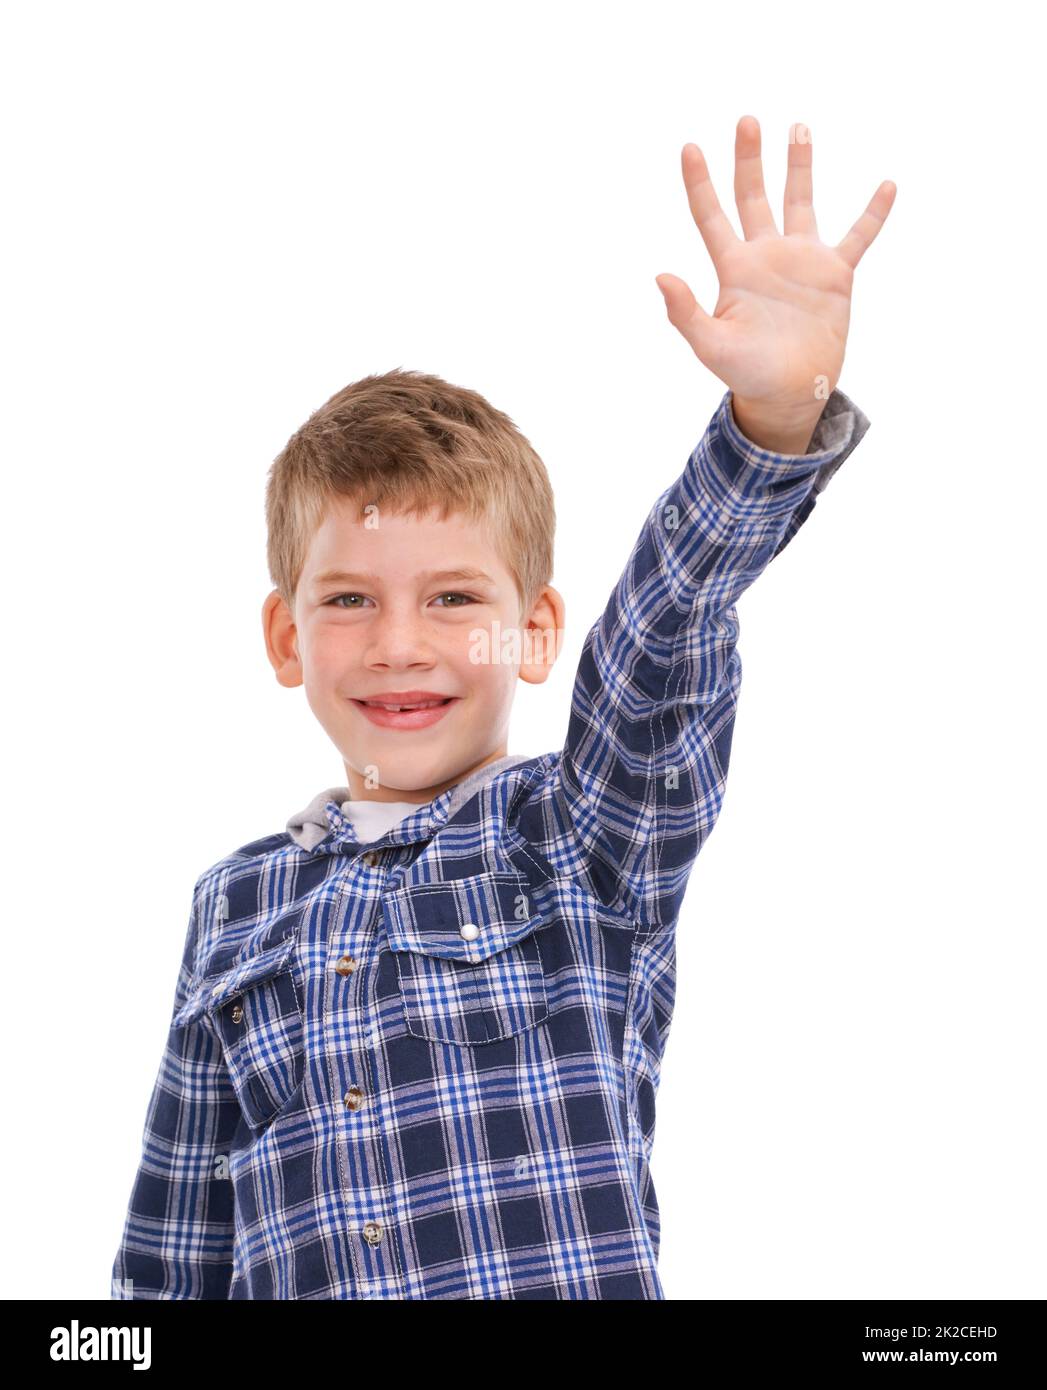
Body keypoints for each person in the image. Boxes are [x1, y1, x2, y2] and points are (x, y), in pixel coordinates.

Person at [111, 116, 895, 1300]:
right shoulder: (233, 910)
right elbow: (172, 1259)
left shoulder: (580, 838)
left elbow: (662, 633)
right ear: (285, 637)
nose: (400, 644)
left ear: (533, 632)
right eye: (350, 599)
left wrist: (766, 428)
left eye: (455, 596)